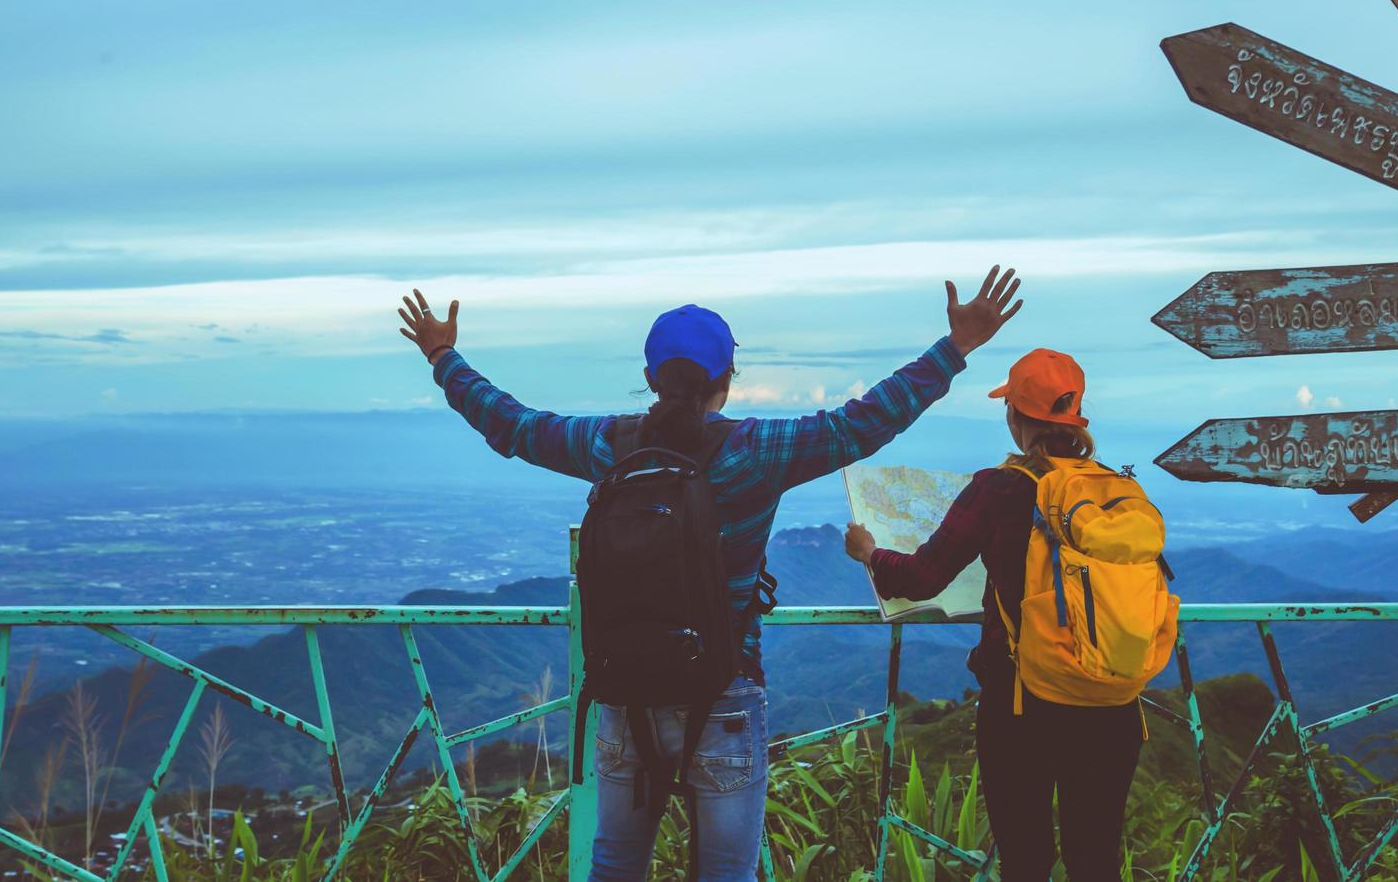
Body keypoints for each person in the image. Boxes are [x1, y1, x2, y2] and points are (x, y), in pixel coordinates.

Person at [395, 267, 1024, 881]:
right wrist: (956, 347)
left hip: (625, 692)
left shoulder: (606, 445)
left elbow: (512, 424)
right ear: (727, 379)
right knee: (726, 872)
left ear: (649, 378)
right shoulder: (756, 452)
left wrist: (443, 356)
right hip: (725, 692)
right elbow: (862, 424)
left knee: (614, 864)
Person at [843, 349, 1144, 882]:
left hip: (1024, 705)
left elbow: (922, 578)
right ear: (1074, 418)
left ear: (1015, 416)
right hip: (1112, 701)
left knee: (1026, 861)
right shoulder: (1110, 489)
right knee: (1096, 863)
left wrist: (871, 553)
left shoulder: (999, 488)